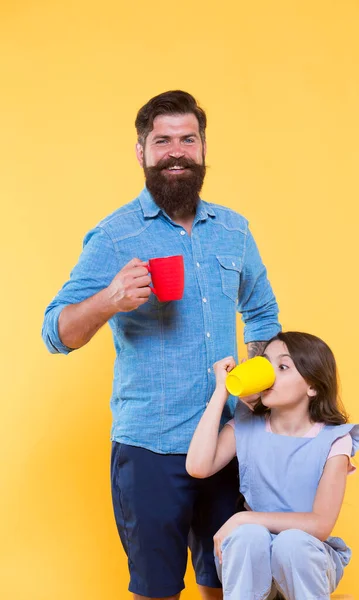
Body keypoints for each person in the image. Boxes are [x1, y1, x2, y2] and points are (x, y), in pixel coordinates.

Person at [41, 90, 281, 600]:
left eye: (187, 139)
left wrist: (257, 388)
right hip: (150, 445)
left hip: (227, 440)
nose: (176, 151)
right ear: (141, 151)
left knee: (232, 584)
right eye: (162, 140)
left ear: (202, 146)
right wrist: (109, 299)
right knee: (157, 591)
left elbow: (262, 312)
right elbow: (56, 333)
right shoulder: (114, 236)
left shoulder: (234, 230)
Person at [186, 331, 359, 600]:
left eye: (282, 367)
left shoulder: (333, 441)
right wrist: (222, 391)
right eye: (267, 365)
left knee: (291, 543)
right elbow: (198, 466)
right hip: (250, 555)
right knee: (248, 537)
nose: (270, 375)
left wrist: (244, 517)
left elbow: (320, 525)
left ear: (312, 387)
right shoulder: (247, 426)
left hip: (306, 556)